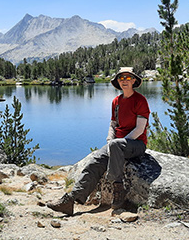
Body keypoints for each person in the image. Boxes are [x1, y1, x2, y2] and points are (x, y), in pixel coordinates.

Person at [47, 67, 150, 215]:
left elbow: (140, 129)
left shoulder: (140, 100)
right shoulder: (116, 101)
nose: (124, 81)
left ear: (134, 80)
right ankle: (71, 200)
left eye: (128, 78)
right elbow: (113, 124)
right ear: (118, 82)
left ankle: (118, 190)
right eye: (121, 78)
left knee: (115, 145)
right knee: (95, 161)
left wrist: (117, 145)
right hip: (117, 145)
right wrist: (110, 140)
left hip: (136, 144)